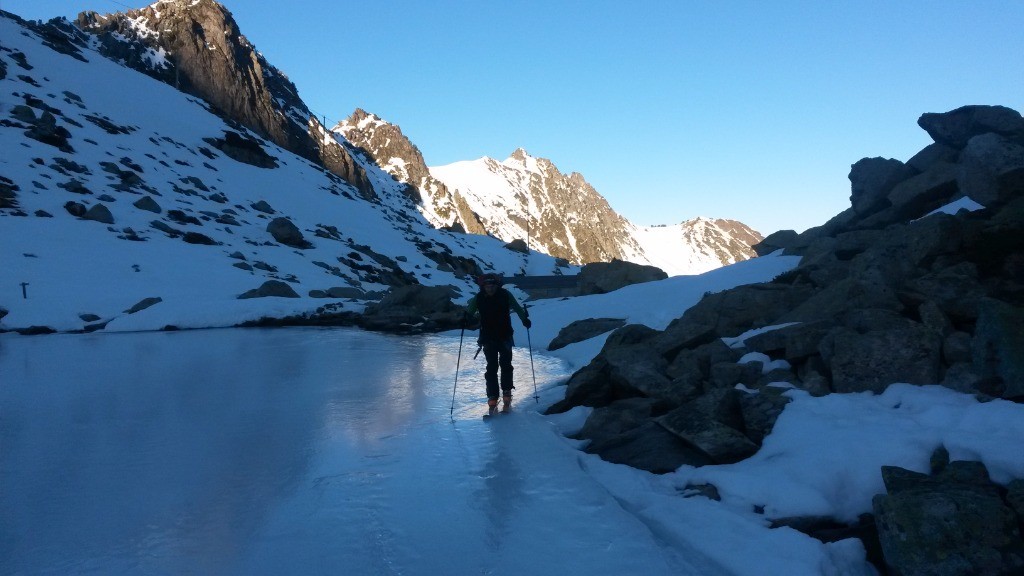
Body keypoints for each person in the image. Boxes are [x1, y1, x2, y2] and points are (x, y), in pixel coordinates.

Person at [463, 273, 532, 413]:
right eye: (488, 286)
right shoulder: (503, 295)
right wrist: (524, 319)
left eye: (492, 285)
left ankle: (496, 397)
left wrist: (524, 319)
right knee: (498, 366)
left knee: (496, 367)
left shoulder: (479, 298)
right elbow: (518, 308)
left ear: (496, 285)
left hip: (495, 337)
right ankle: (502, 395)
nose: (490, 288)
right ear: (484, 286)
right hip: (498, 336)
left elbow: (469, 313)